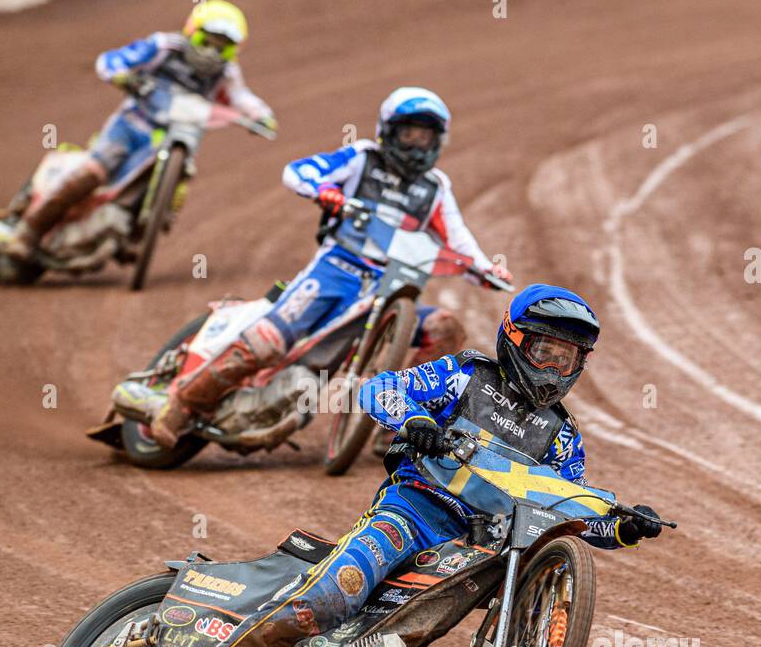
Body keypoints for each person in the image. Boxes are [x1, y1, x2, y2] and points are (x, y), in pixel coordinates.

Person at [186, 284, 665, 647]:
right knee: (335, 590)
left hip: (481, 549)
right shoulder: (466, 376)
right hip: (413, 511)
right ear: (514, 339)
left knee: (534, 587)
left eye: (568, 359)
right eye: (545, 352)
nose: (555, 370)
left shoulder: (562, 436)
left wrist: (622, 525)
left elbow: (569, 507)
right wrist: (417, 420)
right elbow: (382, 388)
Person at [149, 86, 512, 447]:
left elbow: (458, 239)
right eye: (409, 133)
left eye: (425, 136)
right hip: (338, 270)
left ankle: (398, 428)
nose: (417, 144)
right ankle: (181, 403)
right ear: (388, 131)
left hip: (392, 283)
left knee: (444, 328)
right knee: (268, 343)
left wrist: (486, 269)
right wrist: (324, 191)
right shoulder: (362, 157)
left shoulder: (436, 187)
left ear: (439, 140)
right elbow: (298, 171)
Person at [0, 0, 275, 261]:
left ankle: (138, 235)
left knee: (181, 179)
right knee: (95, 171)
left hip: (175, 138)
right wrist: (124, 77)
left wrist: (262, 116)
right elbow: (111, 60)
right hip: (131, 125)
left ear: (235, 49)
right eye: (206, 40)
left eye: (222, 46)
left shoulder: (226, 72)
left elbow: (241, 97)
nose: (212, 52)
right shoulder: (164, 47)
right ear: (191, 32)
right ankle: (28, 232)